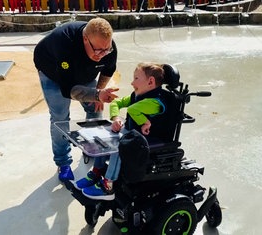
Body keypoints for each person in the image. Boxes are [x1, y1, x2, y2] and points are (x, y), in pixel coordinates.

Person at [33, 17, 119, 183]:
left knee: (96, 108)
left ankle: (92, 146)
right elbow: (67, 89)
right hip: (54, 73)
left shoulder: (107, 47)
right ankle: (63, 162)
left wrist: (98, 92)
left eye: (106, 50)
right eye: (98, 50)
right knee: (60, 117)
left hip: (84, 71)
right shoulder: (64, 44)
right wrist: (95, 94)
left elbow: (108, 69)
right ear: (85, 39)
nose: (102, 55)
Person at [73, 62, 167, 200]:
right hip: (130, 133)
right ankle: (97, 172)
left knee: (118, 148)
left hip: (144, 140)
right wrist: (116, 118)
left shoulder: (155, 102)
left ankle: (108, 186)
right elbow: (117, 103)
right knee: (102, 139)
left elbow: (133, 109)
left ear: (151, 82)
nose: (131, 82)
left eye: (136, 79)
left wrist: (143, 122)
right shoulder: (137, 95)